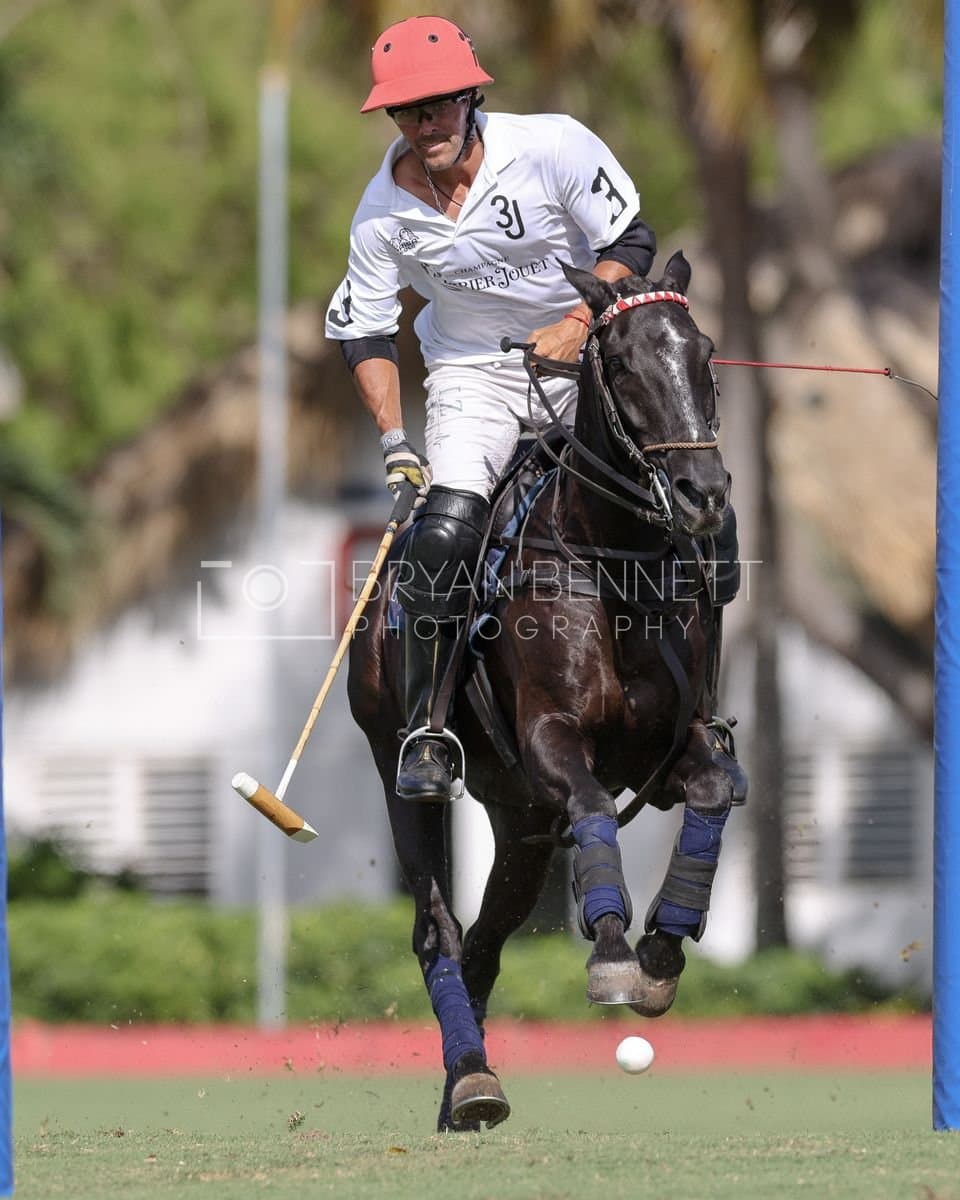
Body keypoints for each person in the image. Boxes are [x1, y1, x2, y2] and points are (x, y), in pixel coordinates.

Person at [326, 15, 656, 802]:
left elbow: (633, 242)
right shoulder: (380, 214)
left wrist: (578, 322)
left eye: (438, 104)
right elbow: (366, 331)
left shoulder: (553, 145)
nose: (424, 124)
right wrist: (395, 441)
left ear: (472, 95)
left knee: (683, 498)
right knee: (443, 533)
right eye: (407, 111)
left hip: (587, 358)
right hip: (473, 374)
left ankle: (699, 705)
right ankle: (429, 730)